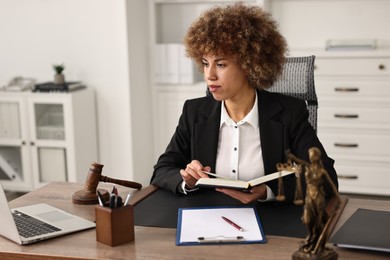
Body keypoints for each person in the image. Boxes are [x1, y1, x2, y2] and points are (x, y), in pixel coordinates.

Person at [150, 2, 338, 204]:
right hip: (207, 218)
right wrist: (188, 181)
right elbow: (162, 170)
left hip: (269, 221)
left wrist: (268, 191)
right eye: (205, 63)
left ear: (250, 64)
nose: (209, 75)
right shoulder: (194, 112)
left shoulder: (289, 112)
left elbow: (326, 180)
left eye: (220, 64)